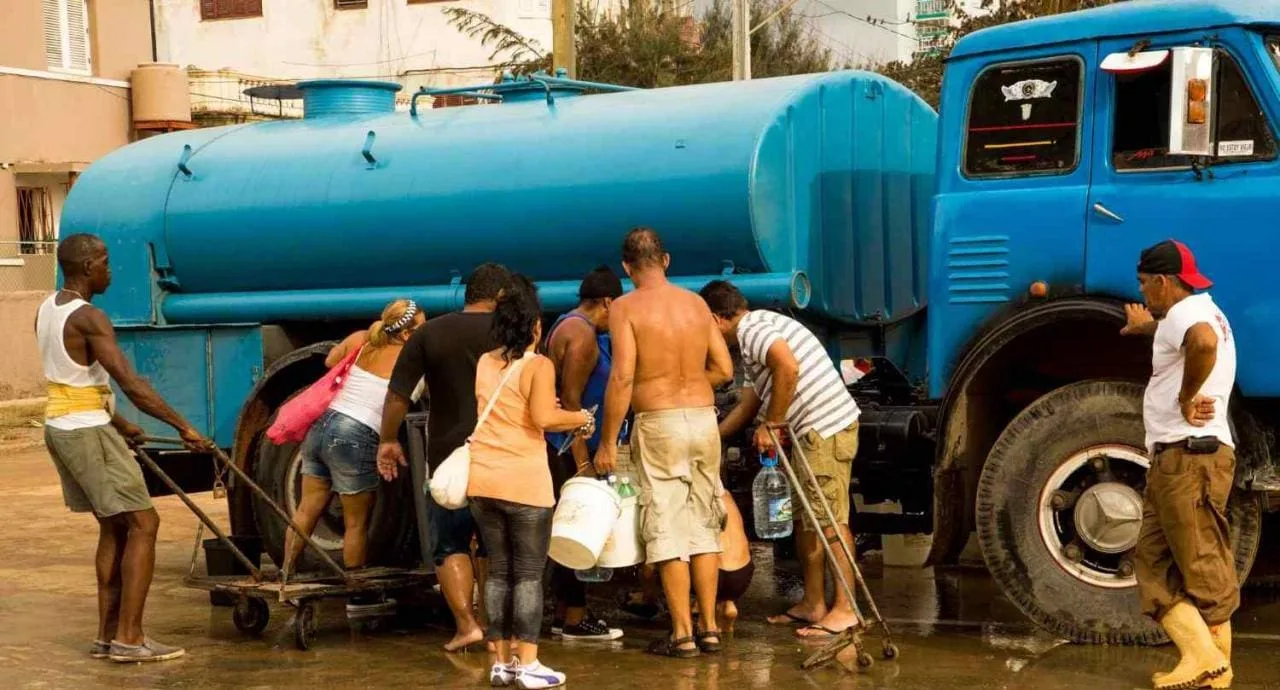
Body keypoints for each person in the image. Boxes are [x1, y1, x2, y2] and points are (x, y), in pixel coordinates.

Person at [36, 233, 212, 663]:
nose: (110, 270)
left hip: (65, 425)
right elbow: (131, 383)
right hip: (86, 431)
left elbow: (71, 381)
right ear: (86, 268)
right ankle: (130, 639)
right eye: (105, 262)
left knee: (114, 526)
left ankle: (107, 637)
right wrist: (185, 427)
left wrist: (121, 424)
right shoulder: (90, 317)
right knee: (143, 525)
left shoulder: (46, 309)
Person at [593, 227, 734, 658]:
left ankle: (682, 634)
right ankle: (709, 627)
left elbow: (622, 377)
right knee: (705, 523)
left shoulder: (625, 307)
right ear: (666, 260)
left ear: (626, 266)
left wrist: (605, 442)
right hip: (704, 419)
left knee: (668, 526)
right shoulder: (696, 304)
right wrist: (688, 387)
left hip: (659, 422)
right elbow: (725, 369)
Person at [699, 279, 861, 640]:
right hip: (811, 433)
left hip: (824, 430)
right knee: (808, 522)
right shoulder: (751, 338)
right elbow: (749, 402)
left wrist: (772, 424)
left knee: (830, 521)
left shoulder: (754, 329)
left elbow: (787, 367)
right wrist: (713, 437)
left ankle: (846, 609)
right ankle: (814, 603)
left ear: (715, 319)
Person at [467, 274, 594, 689]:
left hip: (483, 481)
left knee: (499, 573)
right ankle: (530, 663)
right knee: (528, 575)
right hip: (524, 483)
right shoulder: (538, 365)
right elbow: (543, 419)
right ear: (534, 326)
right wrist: (580, 417)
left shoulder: (486, 362)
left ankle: (501, 663)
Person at [377, 263, 511, 652]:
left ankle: (468, 626)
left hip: (448, 456)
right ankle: (495, 630)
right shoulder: (511, 332)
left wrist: (388, 440)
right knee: (493, 545)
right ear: (500, 296)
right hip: (501, 453)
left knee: (450, 542)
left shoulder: (430, 332)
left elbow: (398, 395)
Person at [1121, 240, 1237, 690]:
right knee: (1151, 562)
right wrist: (1144, 328)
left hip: (1191, 457)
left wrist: (1186, 399)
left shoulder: (1190, 319)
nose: (1143, 292)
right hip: (1177, 458)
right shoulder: (1198, 310)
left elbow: (1200, 342)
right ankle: (1204, 659)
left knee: (1203, 568)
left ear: (1165, 282)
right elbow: (1183, 334)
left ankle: (1214, 671)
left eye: (1145, 284)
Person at [283, 299, 425, 609]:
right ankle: (358, 593)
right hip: (354, 435)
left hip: (322, 426)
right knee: (356, 523)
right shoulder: (412, 359)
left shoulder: (361, 339)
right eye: (421, 328)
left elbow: (330, 361)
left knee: (307, 509)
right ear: (404, 335)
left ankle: (286, 578)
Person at [544, 266, 626, 642]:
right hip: (568, 449)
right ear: (608, 302)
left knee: (565, 526)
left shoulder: (564, 324)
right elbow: (573, 406)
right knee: (575, 527)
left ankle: (565, 612)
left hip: (561, 446)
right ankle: (575, 617)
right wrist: (582, 464)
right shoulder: (583, 336)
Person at [715, 493, 753, 636]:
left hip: (713, 574)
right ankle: (729, 603)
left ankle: (706, 618)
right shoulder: (726, 494)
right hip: (742, 574)